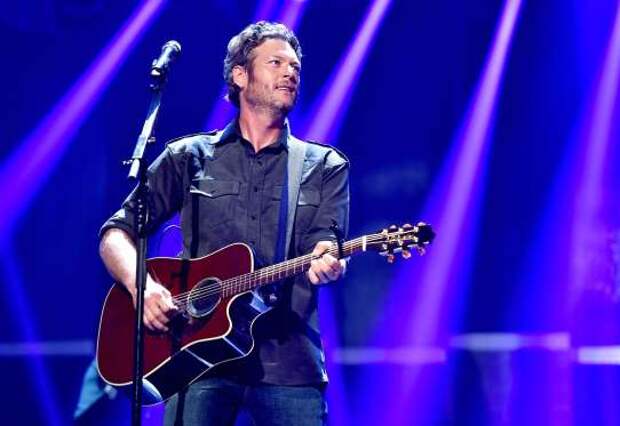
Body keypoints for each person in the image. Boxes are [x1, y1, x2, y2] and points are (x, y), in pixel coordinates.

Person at [99, 21, 350, 425]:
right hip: (196, 361)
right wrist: (142, 288)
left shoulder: (323, 166)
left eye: (295, 67)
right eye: (276, 63)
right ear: (240, 74)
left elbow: (327, 243)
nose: (290, 72)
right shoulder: (188, 156)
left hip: (289, 365)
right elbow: (116, 234)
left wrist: (329, 261)